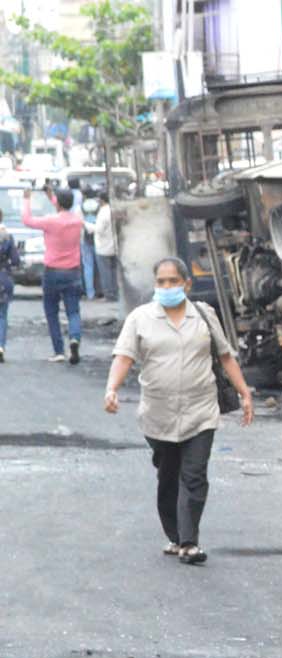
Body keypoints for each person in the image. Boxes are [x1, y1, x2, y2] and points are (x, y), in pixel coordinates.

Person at [103, 257, 256, 564]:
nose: (168, 287)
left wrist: (244, 393)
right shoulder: (141, 318)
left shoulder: (204, 315)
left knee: (195, 475)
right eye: (162, 282)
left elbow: (225, 357)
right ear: (155, 285)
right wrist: (112, 389)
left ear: (187, 284)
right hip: (158, 413)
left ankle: (189, 541)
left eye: (174, 281)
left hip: (200, 410)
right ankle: (174, 535)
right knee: (168, 475)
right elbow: (124, 357)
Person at [23, 183, 84, 363]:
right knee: (73, 311)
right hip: (73, 271)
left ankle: (59, 351)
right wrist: (51, 196)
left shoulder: (50, 221)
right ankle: (74, 337)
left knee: (51, 311)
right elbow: (63, 207)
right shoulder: (77, 221)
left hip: (52, 271)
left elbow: (27, 220)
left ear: (58, 204)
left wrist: (27, 199)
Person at [92, 194, 116, 301]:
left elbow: (99, 230)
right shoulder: (114, 209)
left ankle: (109, 295)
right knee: (113, 272)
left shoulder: (103, 212)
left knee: (105, 272)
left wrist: (87, 225)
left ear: (101, 200)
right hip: (114, 246)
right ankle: (115, 293)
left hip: (103, 247)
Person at [0, 218, 17, 363]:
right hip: (3, 277)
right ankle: (0, 346)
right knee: (2, 316)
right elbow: (16, 260)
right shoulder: (7, 236)